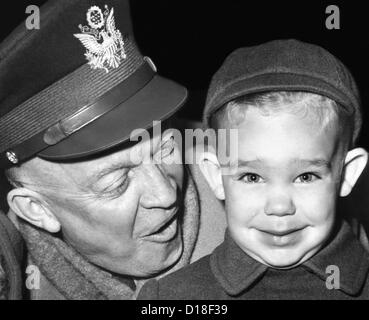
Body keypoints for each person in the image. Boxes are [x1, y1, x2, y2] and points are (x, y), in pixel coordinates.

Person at [0, 0, 225, 299]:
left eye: (167, 149)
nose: (166, 195)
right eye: (116, 183)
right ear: (37, 210)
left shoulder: (253, 184)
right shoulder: (18, 282)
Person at [138, 39, 369, 299]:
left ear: (347, 173)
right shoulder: (171, 297)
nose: (279, 207)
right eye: (252, 176)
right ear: (215, 175)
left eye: (306, 176)